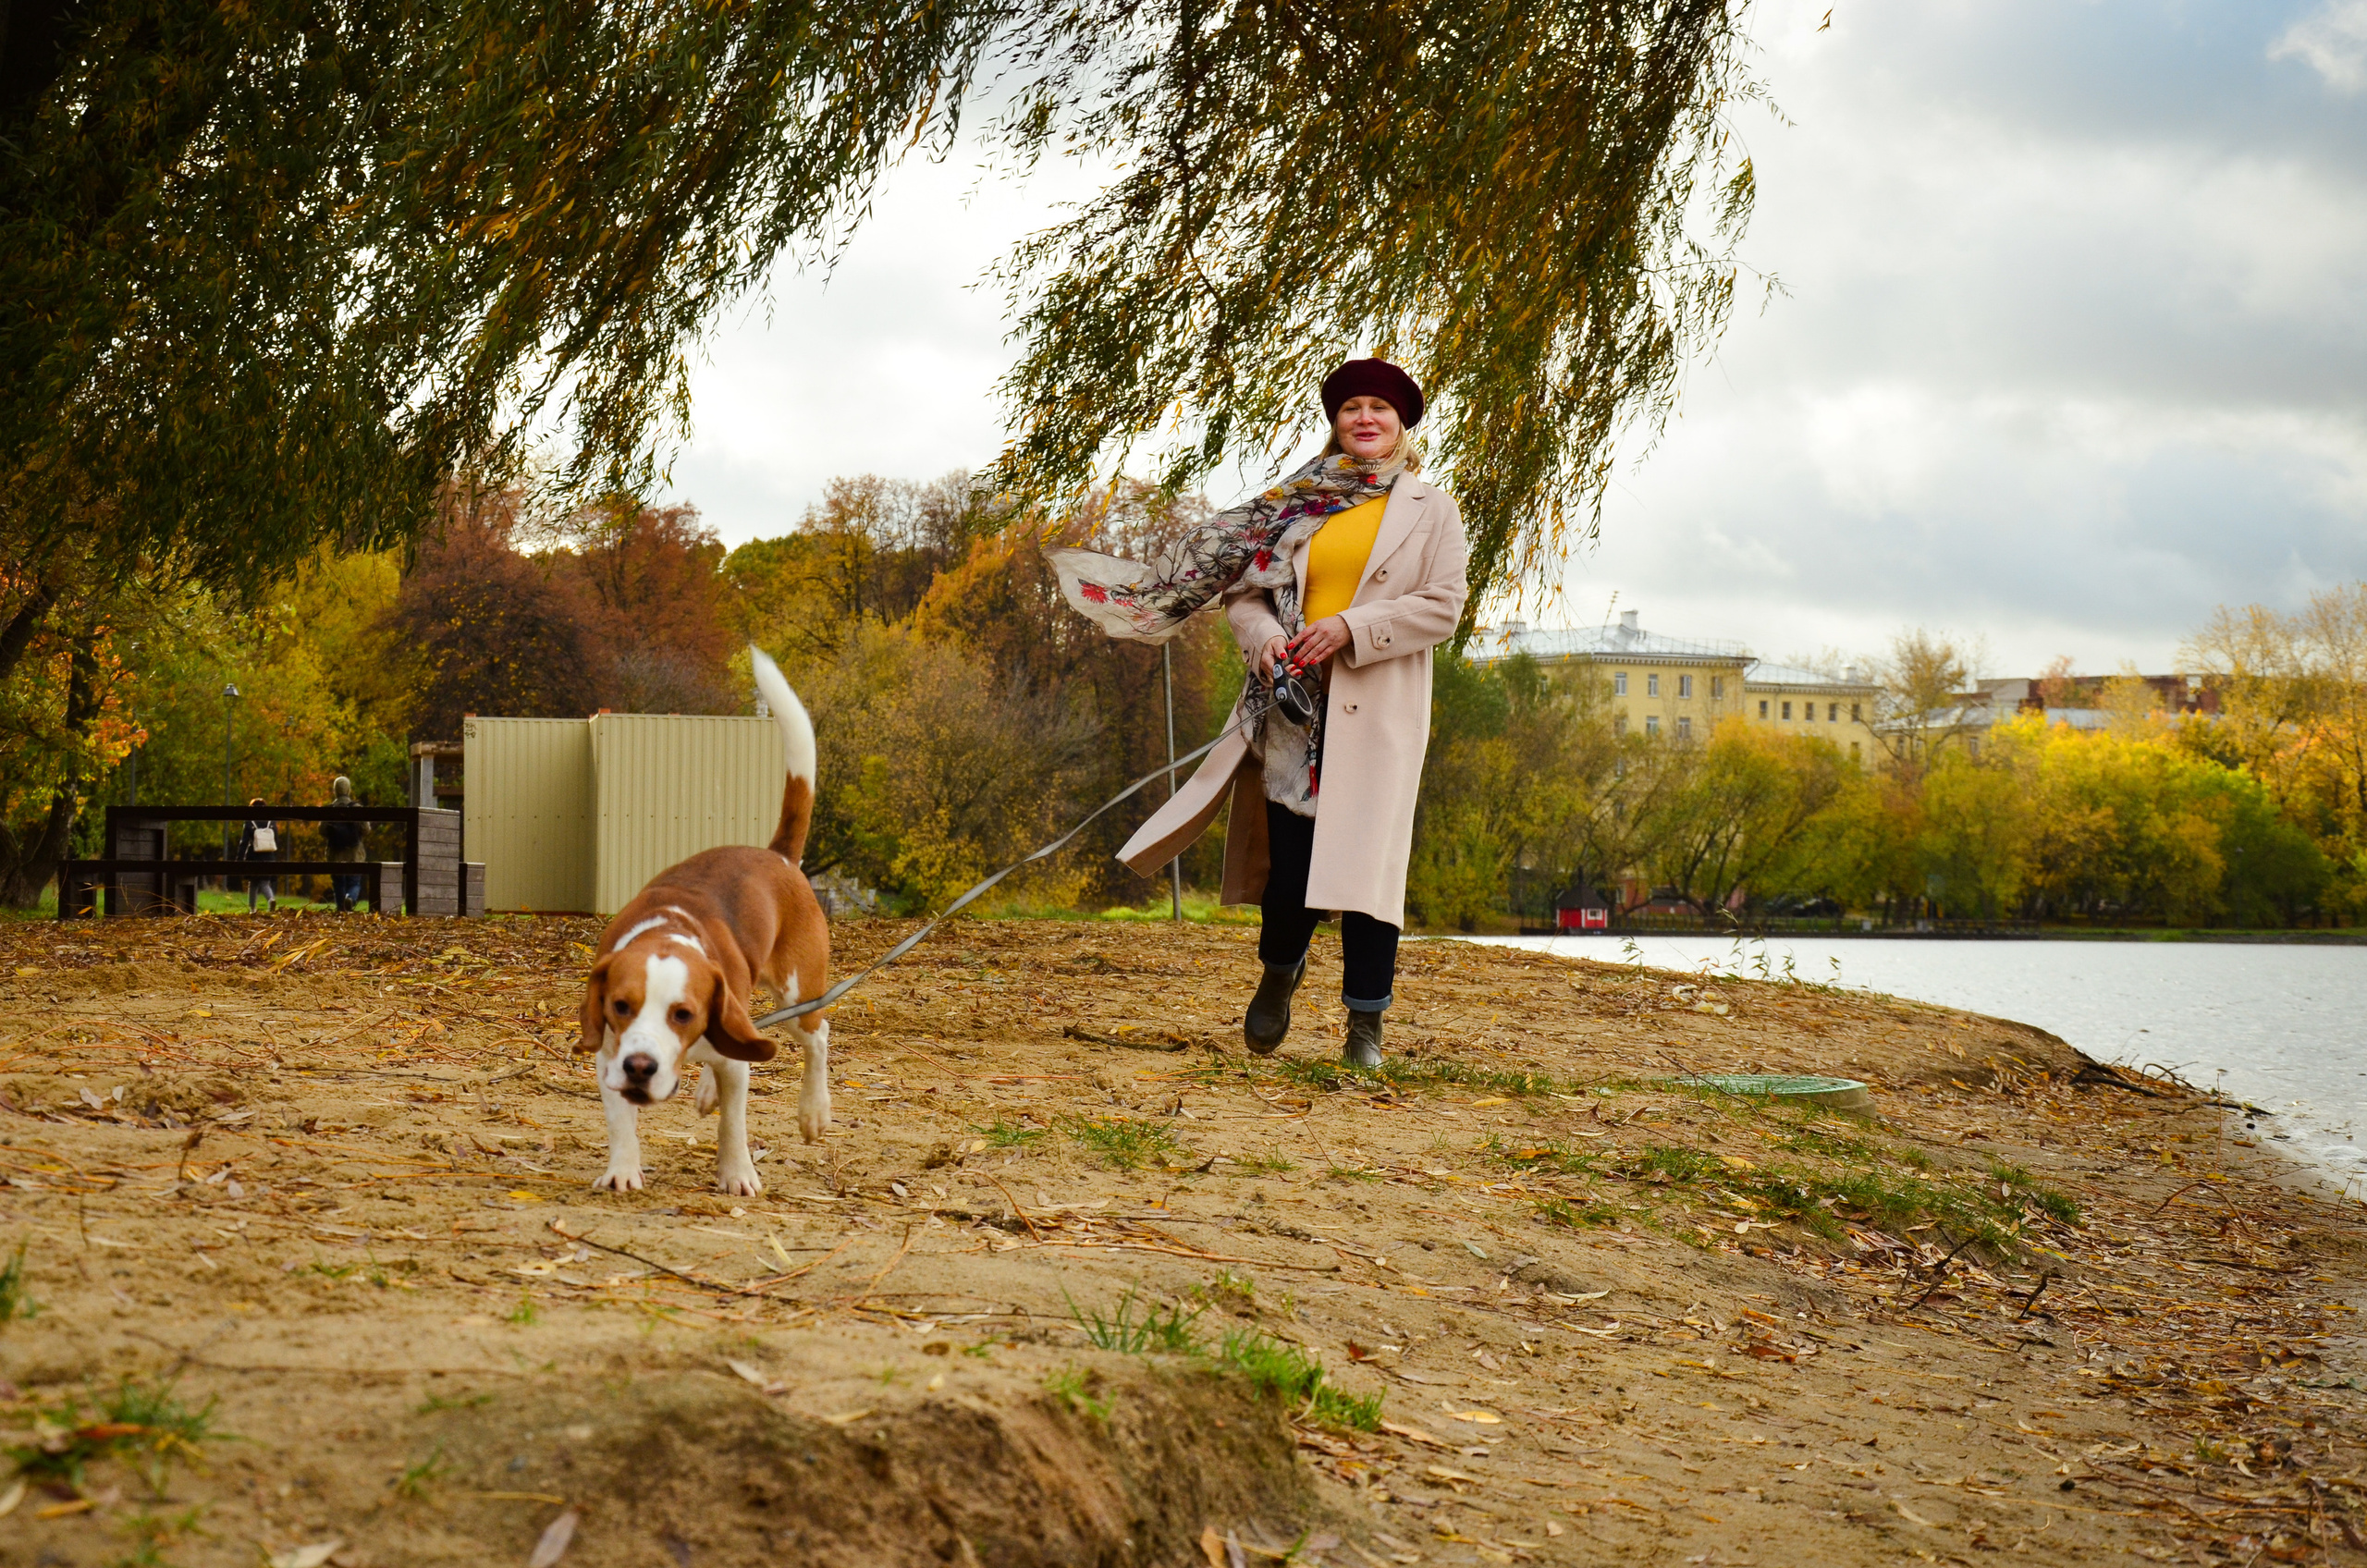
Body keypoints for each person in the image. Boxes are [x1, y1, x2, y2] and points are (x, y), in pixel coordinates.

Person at [1050, 358, 1468, 1067]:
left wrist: (1351, 628)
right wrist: (1267, 638)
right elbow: (1242, 596)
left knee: (1370, 876)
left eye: (1379, 408)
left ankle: (1365, 1029)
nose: (1364, 418)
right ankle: (1280, 974)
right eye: (1351, 408)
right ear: (1336, 422)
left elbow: (1443, 606)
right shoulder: (1296, 507)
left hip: (1381, 716)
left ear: (1402, 424)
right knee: (1293, 871)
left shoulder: (1433, 509)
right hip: (1292, 709)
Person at [323, 777, 366, 912]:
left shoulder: (329, 809)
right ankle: (350, 898)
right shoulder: (357, 808)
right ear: (348, 789)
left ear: (335, 790)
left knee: (338, 882)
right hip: (354, 853)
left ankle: (341, 909)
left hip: (335, 853)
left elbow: (322, 830)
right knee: (354, 882)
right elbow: (366, 829)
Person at [240, 799, 279, 913]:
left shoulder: (249, 822)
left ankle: (252, 909)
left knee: (253, 883)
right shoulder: (271, 823)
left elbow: (244, 842)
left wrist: (240, 858)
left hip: (254, 855)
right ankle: (271, 899)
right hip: (269, 856)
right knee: (265, 883)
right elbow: (276, 840)